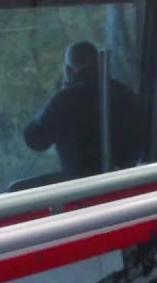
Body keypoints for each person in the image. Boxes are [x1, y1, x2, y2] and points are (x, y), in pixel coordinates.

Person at [23, 41, 145, 180]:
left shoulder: (65, 99)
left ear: (68, 70)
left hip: (81, 187)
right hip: (124, 181)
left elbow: (35, 140)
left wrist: (60, 94)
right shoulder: (125, 93)